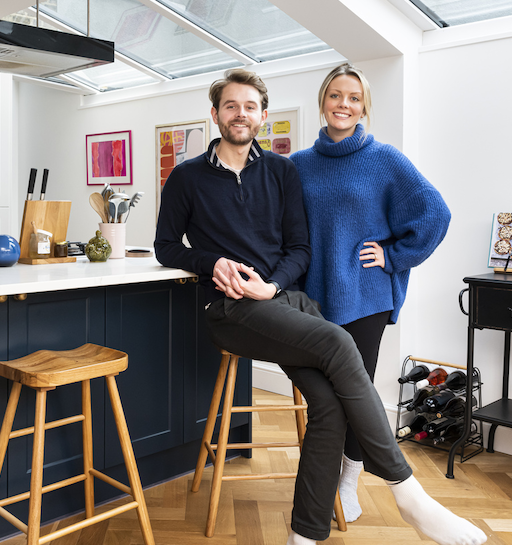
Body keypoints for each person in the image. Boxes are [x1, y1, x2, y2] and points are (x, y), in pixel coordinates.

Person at [154, 68, 484, 545]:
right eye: (230, 106)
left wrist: (274, 285)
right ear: (215, 114)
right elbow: (166, 246)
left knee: (329, 403)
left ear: (263, 117)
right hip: (227, 309)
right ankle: (407, 491)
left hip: (287, 300)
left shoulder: (282, 170)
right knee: (337, 341)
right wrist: (212, 262)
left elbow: (298, 249)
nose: (240, 114)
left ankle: (304, 535)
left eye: (249, 107)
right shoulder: (188, 177)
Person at [289, 63, 451, 523]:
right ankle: (324, 476)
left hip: (365, 296)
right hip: (311, 298)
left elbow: (435, 214)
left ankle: (349, 476)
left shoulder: (385, 159)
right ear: (323, 101)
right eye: (336, 95)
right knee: (326, 396)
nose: (344, 104)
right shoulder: (298, 165)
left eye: (354, 98)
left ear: (364, 108)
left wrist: (393, 256)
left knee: (356, 391)